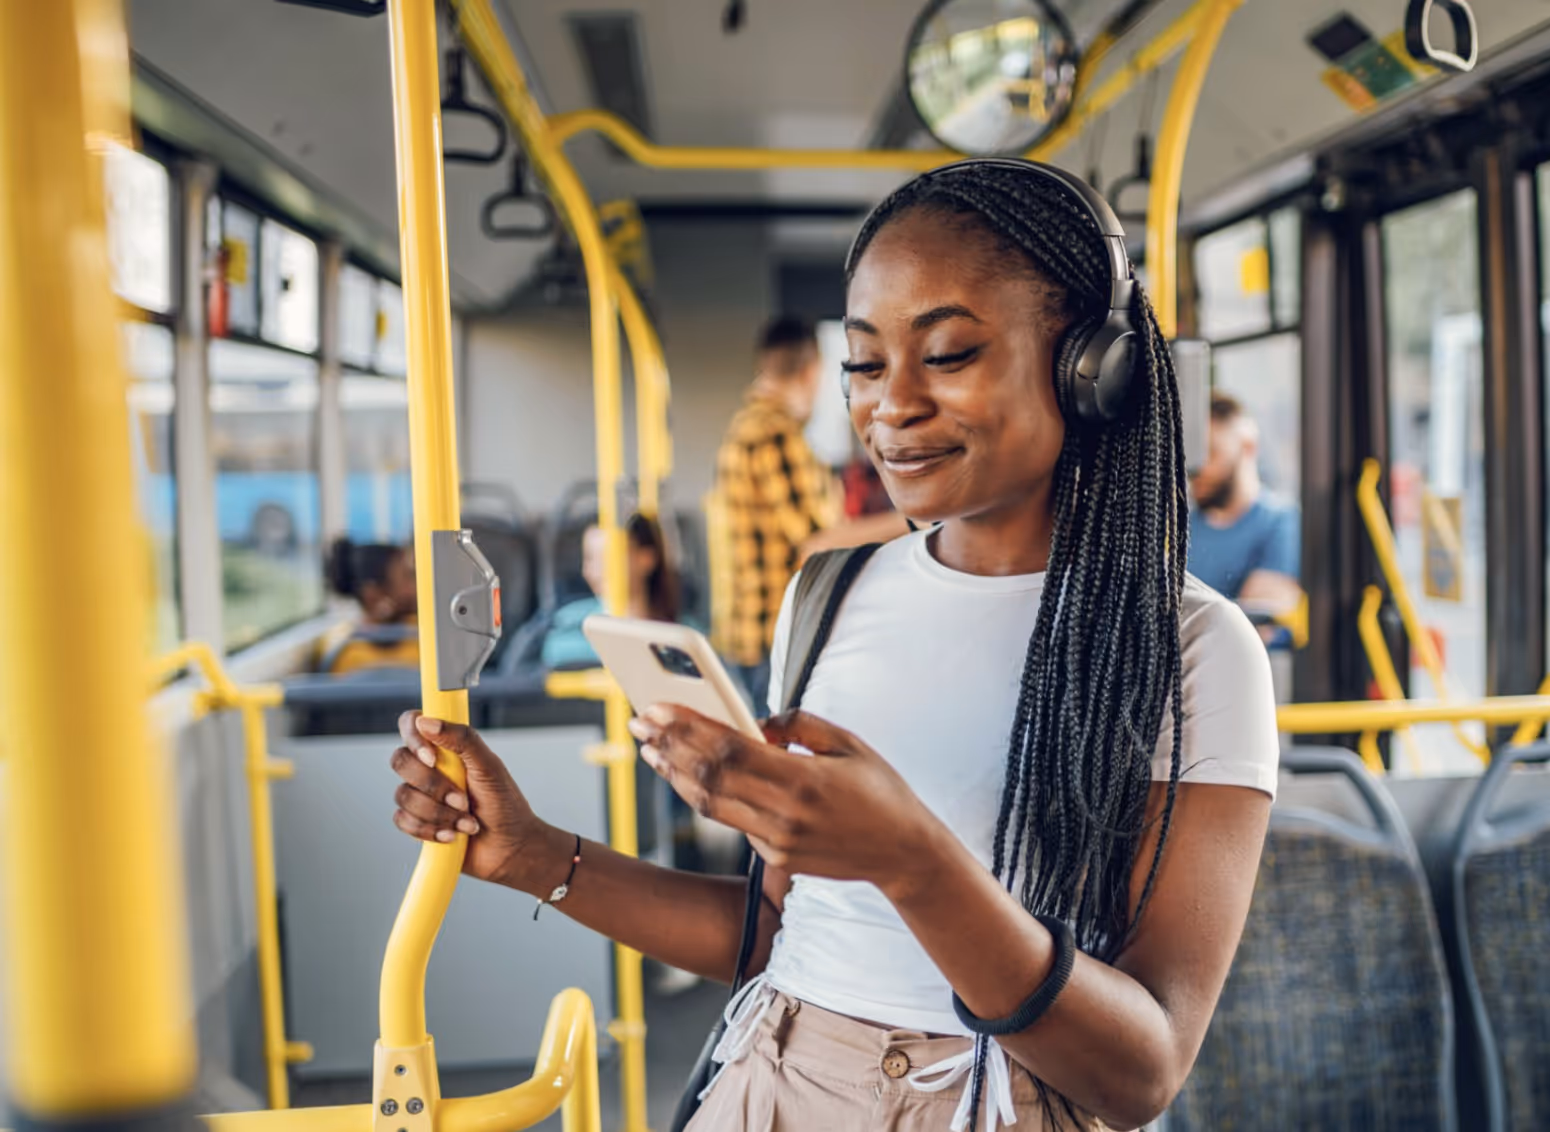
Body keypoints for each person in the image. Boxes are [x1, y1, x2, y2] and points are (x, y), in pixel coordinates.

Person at [387, 160, 1278, 1131]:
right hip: (771, 1075)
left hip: (990, 1099)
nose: (888, 404)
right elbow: (772, 933)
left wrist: (912, 863)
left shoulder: (1191, 649)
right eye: (860, 362)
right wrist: (535, 854)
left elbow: (1141, 1071)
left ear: (1087, 368)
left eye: (944, 355)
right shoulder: (830, 592)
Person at [713, 316, 842, 711]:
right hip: (773, 633)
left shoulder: (743, 427)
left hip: (746, 632)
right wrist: (908, 524)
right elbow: (817, 540)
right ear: (810, 371)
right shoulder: (776, 434)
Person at [1187, 391, 1302, 640]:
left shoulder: (1281, 522)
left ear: (1248, 447)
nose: (1197, 469)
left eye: (1211, 453)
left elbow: (1254, 629)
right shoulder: (1178, 529)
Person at [541, 513, 685, 670]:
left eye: (607, 557)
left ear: (646, 558)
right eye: (590, 558)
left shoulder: (683, 634)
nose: (594, 571)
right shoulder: (567, 623)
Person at [317, 538, 418, 674]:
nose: (416, 585)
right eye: (407, 576)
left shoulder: (420, 627)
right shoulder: (344, 654)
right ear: (373, 595)